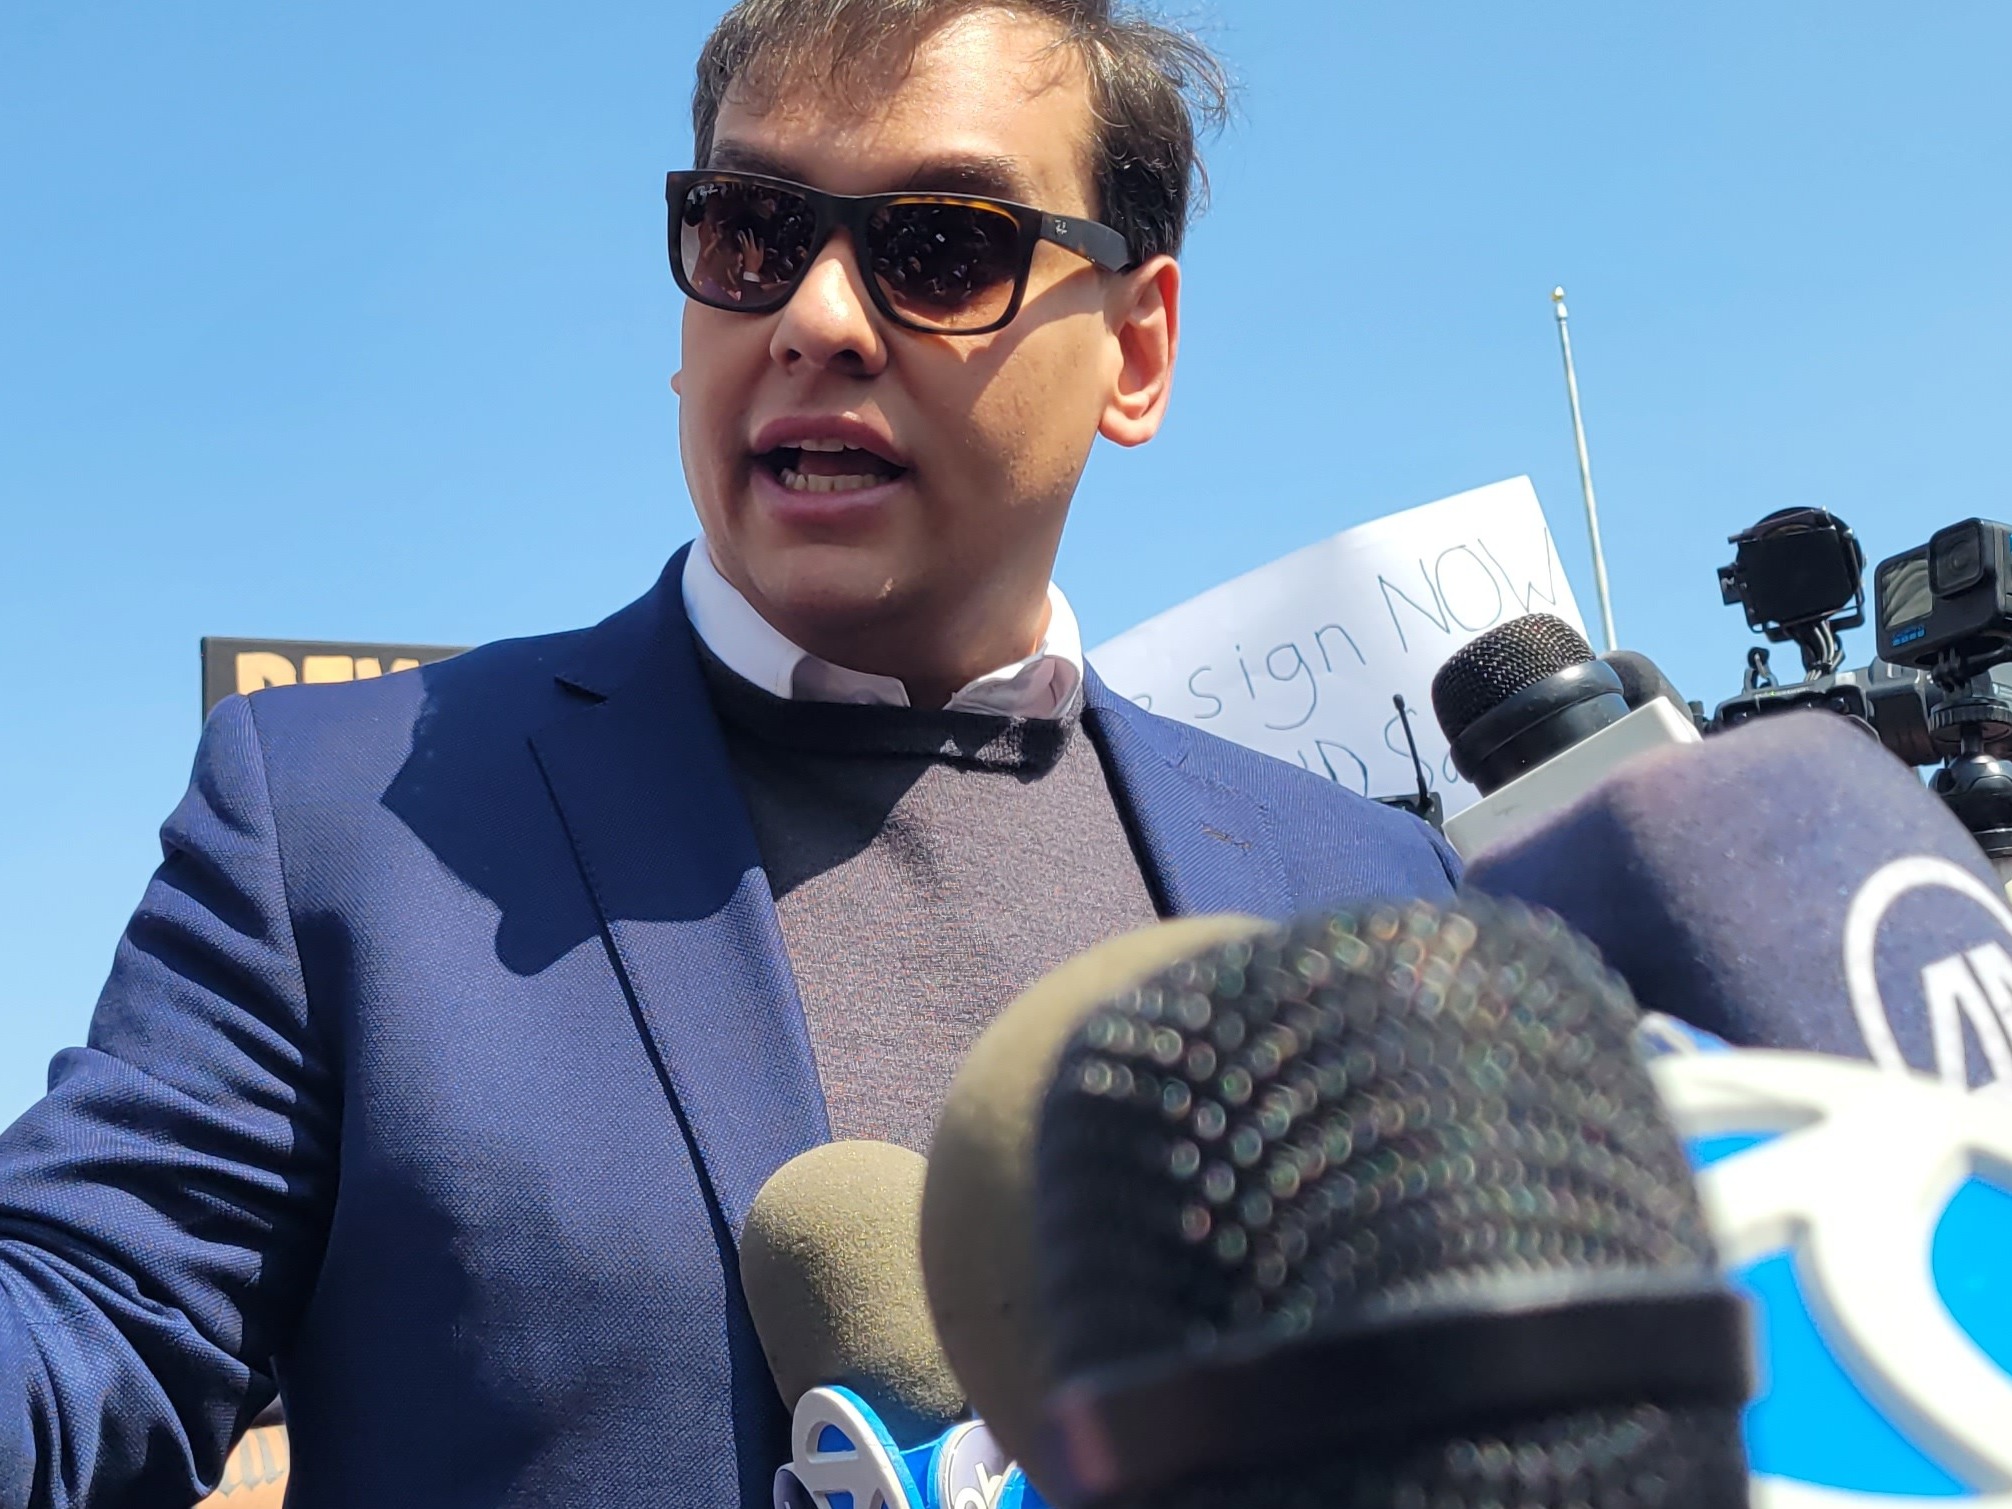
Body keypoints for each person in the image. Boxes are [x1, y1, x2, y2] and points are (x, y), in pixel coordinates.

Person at [0, 1, 1458, 1504]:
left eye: (941, 246)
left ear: (1135, 351)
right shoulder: (332, 815)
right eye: (753, 234)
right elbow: (81, 1320)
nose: (816, 317)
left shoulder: (1373, 896)